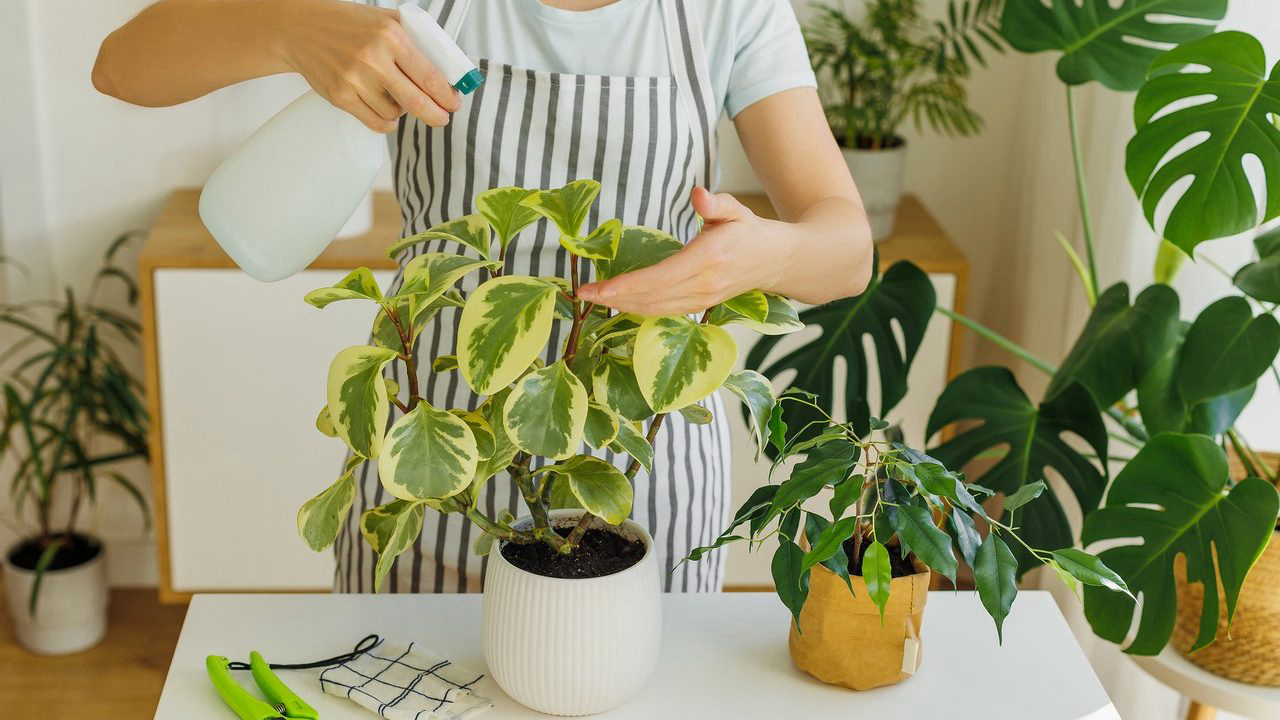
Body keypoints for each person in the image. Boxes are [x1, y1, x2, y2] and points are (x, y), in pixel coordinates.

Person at [94, 0, 874, 593]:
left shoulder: (726, 11)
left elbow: (845, 251)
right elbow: (123, 65)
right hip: (432, 471)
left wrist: (757, 254)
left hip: (645, 487)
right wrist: (295, 27)